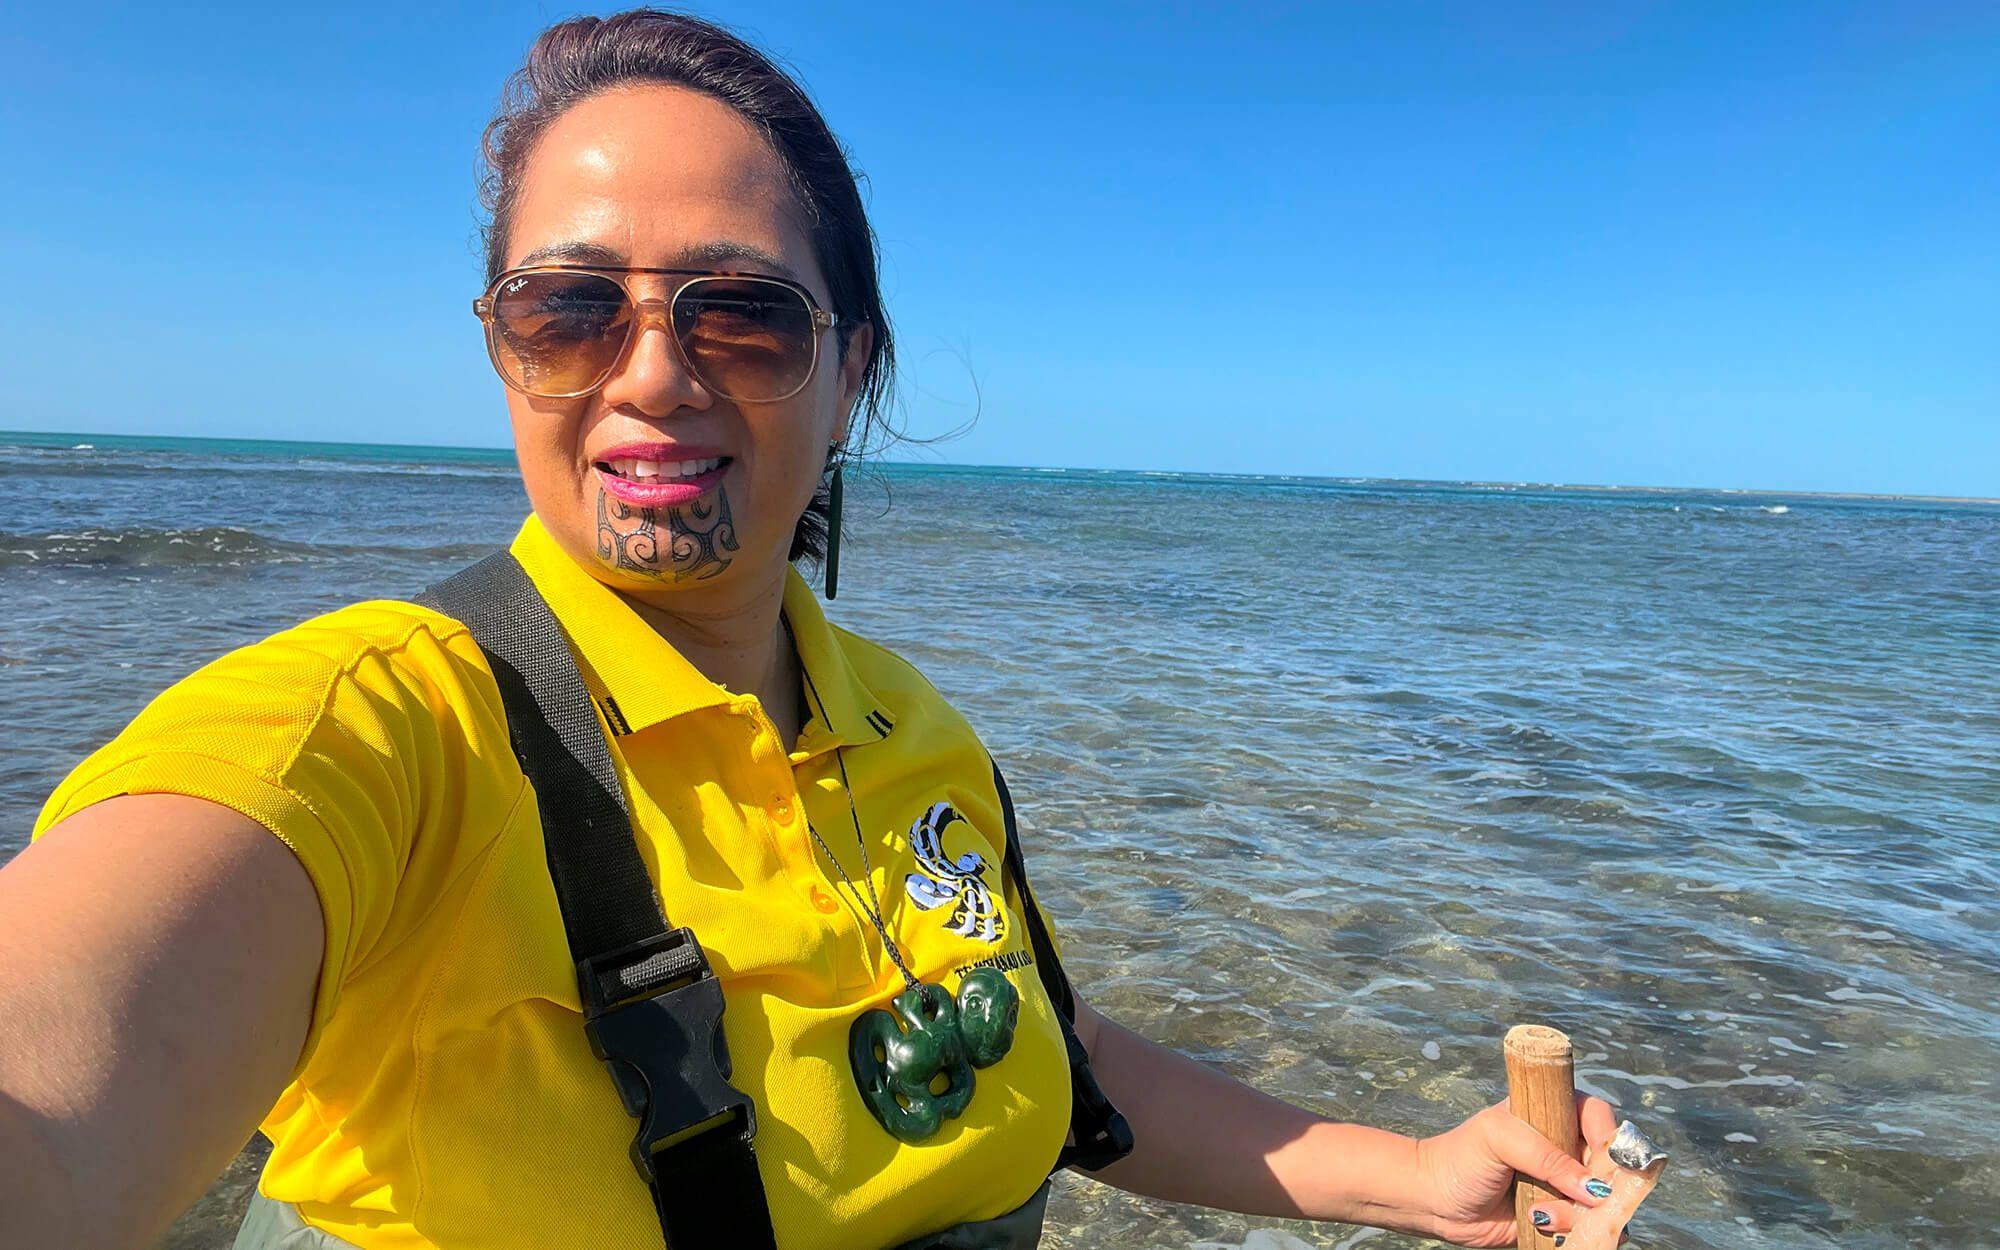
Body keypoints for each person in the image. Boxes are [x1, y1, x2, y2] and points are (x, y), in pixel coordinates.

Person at [0, 11, 1622, 1250]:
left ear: (851, 375)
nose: (650, 372)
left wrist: (1418, 1176)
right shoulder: (379, 729)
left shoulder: (917, 732)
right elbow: (61, 1071)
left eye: (744, 312)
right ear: (503, 349)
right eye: (569, 308)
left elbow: (1044, 1048)